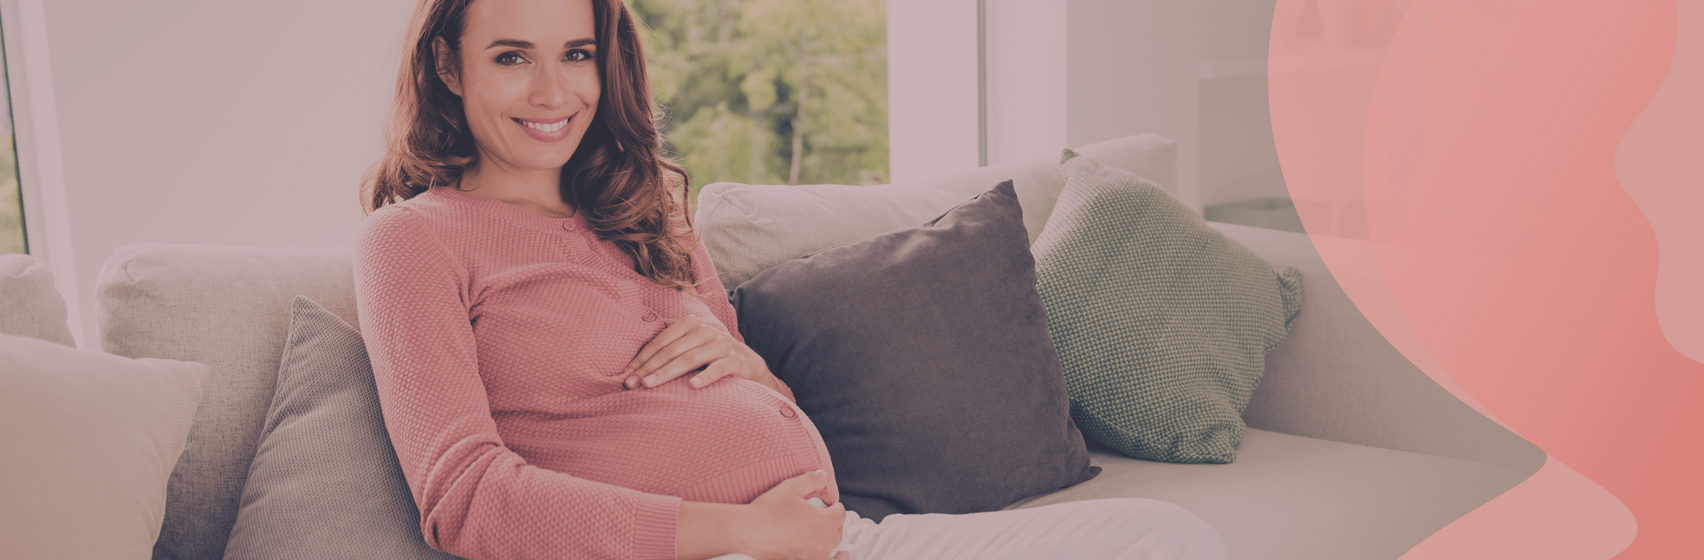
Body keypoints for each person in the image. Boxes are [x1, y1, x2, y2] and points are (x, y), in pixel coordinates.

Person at [354, 0, 1230, 559]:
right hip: (713, 551)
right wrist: (742, 531)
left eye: (576, 53)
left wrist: (748, 369)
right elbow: (465, 498)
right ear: (446, 66)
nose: (554, 90)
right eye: (512, 56)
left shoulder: (643, 209)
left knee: (1166, 535)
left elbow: (755, 396)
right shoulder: (413, 242)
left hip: (830, 537)